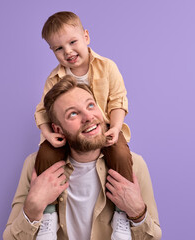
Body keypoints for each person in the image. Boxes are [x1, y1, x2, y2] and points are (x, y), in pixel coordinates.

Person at [3, 76, 161, 240]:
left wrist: (137, 213)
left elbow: (154, 237)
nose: (88, 117)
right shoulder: (34, 165)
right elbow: (9, 238)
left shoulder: (135, 165)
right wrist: (33, 208)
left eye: (90, 105)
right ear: (58, 129)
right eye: (72, 114)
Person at [33, 11, 133, 240]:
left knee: (120, 153)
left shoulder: (107, 67)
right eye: (58, 48)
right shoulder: (54, 79)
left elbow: (118, 101)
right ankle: (48, 215)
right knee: (45, 155)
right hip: (70, 136)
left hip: (105, 131)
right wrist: (48, 134)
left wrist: (115, 128)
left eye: (72, 42)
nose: (67, 51)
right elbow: (42, 111)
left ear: (86, 36)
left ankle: (121, 216)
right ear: (52, 51)